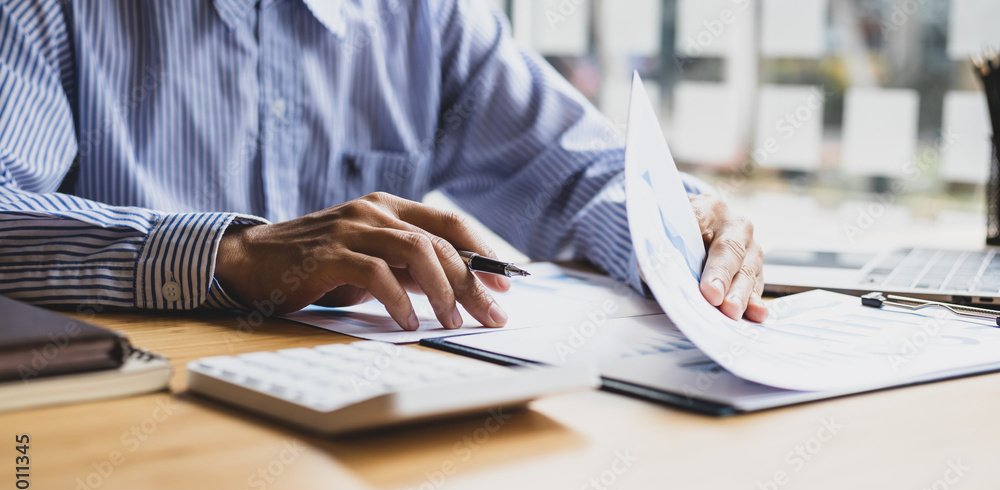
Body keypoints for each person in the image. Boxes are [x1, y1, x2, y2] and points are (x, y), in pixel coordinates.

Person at [0, 0, 767, 331]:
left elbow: (573, 174)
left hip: (360, 444)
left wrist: (682, 220)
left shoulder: (426, 18)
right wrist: (231, 254)